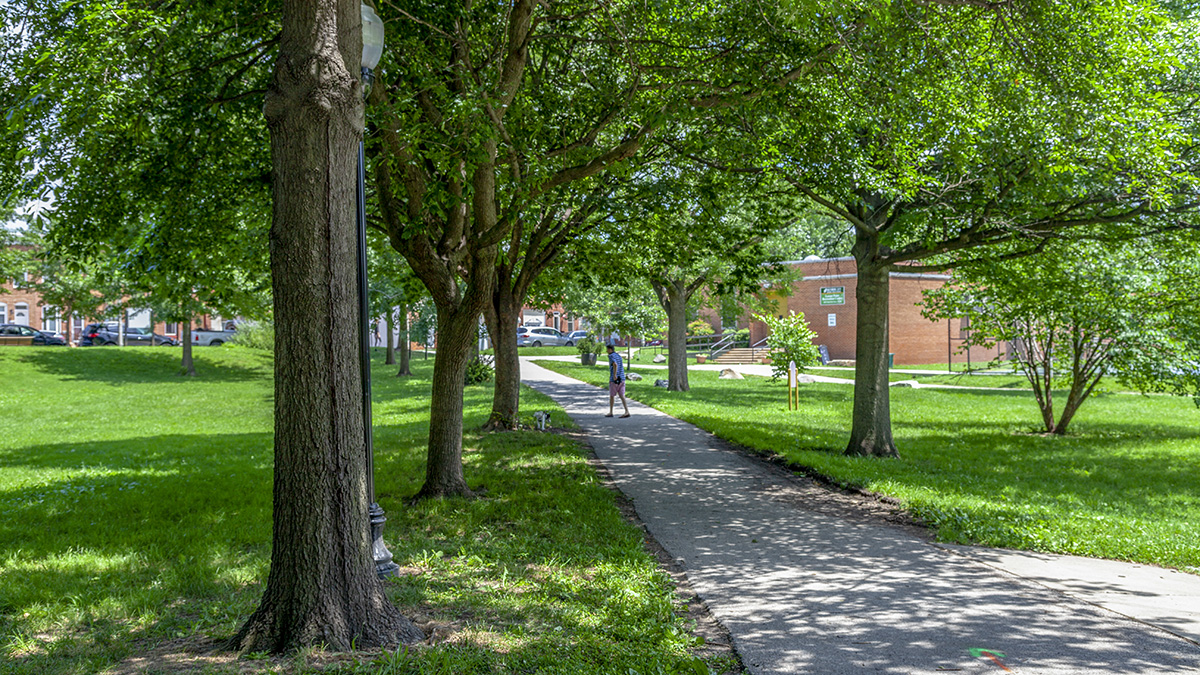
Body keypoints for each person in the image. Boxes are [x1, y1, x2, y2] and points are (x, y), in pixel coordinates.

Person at [606, 344, 630, 418]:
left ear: (610, 349)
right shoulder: (618, 356)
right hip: (622, 378)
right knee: (622, 395)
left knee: (612, 395)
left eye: (607, 349)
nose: (606, 351)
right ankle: (626, 411)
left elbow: (615, 364)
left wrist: (614, 375)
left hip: (615, 380)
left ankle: (611, 412)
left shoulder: (611, 356)